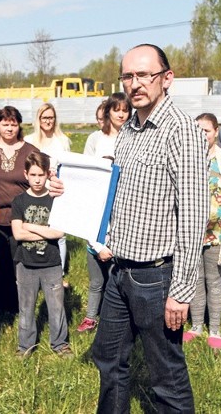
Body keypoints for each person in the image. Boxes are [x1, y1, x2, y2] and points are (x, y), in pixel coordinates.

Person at [91, 44, 208, 413]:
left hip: (155, 278)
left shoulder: (181, 132)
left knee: (166, 375)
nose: (135, 83)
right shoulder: (129, 130)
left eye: (144, 74)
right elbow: (117, 192)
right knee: (108, 357)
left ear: (166, 78)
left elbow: (193, 214)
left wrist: (182, 290)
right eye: (128, 75)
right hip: (119, 271)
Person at [183, 113, 221, 350]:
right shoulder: (188, 158)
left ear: (216, 132)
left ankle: (215, 328)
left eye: (206, 130)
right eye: (197, 130)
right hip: (191, 232)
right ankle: (196, 325)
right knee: (195, 280)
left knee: (214, 278)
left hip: (217, 230)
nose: (202, 135)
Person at [77, 93, 131, 333]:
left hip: (124, 204)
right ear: (108, 112)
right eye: (116, 110)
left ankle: (119, 318)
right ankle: (92, 317)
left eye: (125, 110)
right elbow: (85, 170)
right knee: (97, 277)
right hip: (98, 202)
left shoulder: (132, 137)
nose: (121, 114)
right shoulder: (96, 139)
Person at [0, 106, 39, 313]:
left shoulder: (30, 151)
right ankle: (0, 307)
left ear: (19, 125)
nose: (9, 128)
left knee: (19, 265)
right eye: (5, 124)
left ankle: (21, 308)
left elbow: (41, 178)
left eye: (13, 123)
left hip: (21, 217)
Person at [12, 152, 71, 358]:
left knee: (56, 307)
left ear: (48, 175)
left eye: (41, 175)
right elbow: (17, 233)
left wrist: (29, 225)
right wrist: (43, 229)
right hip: (25, 264)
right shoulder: (19, 201)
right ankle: (24, 346)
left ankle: (60, 344)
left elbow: (59, 232)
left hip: (51, 263)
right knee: (26, 308)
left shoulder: (55, 200)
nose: (37, 180)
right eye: (33, 175)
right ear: (26, 174)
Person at [25, 103, 71, 272]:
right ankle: (35, 264)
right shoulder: (30, 141)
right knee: (36, 228)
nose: (48, 121)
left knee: (59, 231)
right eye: (44, 118)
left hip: (55, 190)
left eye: (51, 117)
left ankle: (60, 269)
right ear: (38, 120)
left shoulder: (62, 140)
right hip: (35, 190)